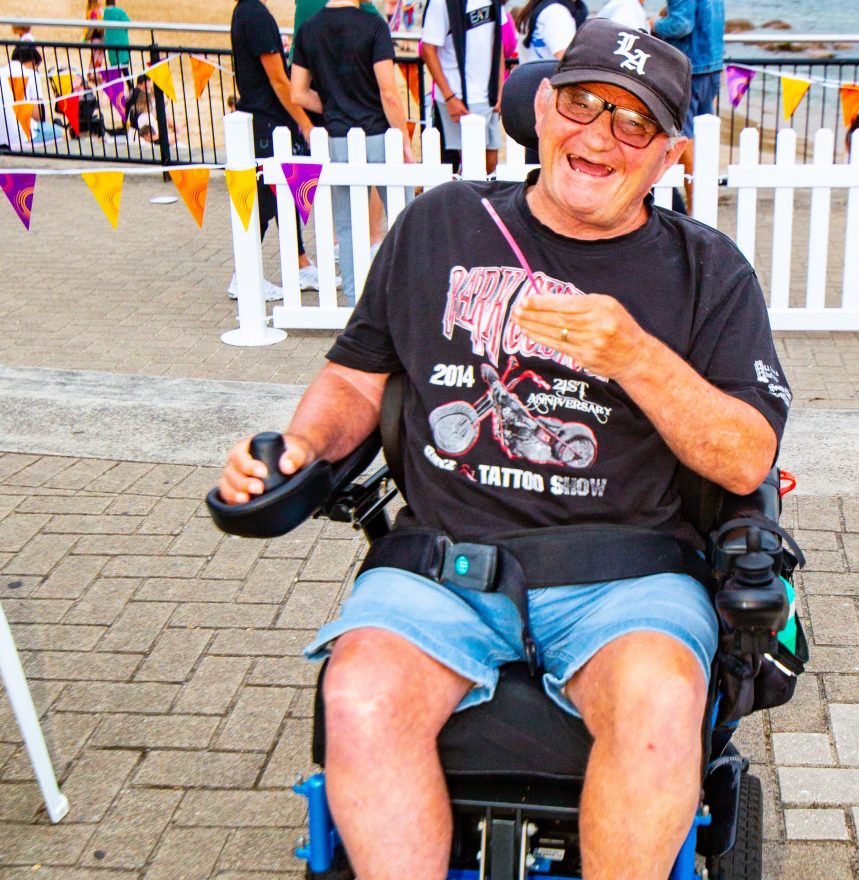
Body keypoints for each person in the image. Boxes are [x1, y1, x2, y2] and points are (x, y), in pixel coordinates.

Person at [218, 18, 789, 878]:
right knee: (362, 689)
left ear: (669, 156)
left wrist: (630, 353)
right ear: (542, 110)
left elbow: (747, 456)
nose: (597, 135)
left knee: (661, 702)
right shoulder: (440, 224)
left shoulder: (708, 270)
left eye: (632, 122)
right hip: (445, 564)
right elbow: (354, 380)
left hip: (629, 577)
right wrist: (299, 446)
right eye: (581, 103)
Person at [291, 0, 414, 305]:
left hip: (337, 138)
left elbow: (298, 93)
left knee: (346, 227)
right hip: (378, 134)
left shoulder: (308, 29)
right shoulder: (373, 26)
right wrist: (404, 140)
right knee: (405, 217)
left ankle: (353, 301)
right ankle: (408, 296)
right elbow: (389, 92)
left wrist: (333, 106)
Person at [230, 0, 325, 301]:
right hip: (266, 122)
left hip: (268, 120)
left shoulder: (248, 11)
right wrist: (305, 123)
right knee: (264, 202)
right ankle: (243, 277)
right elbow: (279, 80)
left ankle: (299, 262)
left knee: (285, 193)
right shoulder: (255, 14)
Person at [420, 0, 507, 174]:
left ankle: (460, 198)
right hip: (459, 95)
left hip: (486, 94)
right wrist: (449, 96)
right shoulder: (441, 4)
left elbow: (496, 44)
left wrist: (500, 89)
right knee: (475, 167)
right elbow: (428, 49)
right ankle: (460, 199)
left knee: (489, 164)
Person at [653, 0, 722, 211]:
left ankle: (696, 205)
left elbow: (681, 24)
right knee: (704, 136)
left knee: (684, 135)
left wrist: (656, 24)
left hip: (690, 67)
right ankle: (704, 200)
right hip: (712, 65)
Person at [4, 45, 66, 147]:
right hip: (23, 134)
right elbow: (37, 115)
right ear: (33, 62)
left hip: (3, 134)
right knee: (64, 133)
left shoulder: (2, 72)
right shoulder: (31, 74)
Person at [512, 0, 587, 62]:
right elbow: (568, 63)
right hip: (548, 78)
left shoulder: (538, 7)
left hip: (531, 77)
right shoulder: (556, 13)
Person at [102, 0, 132, 71]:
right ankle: (130, 82)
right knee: (125, 69)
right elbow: (129, 23)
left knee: (115, 71)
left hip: (110, 46)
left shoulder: (105, 12)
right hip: (122, 45)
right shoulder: (120, 12)